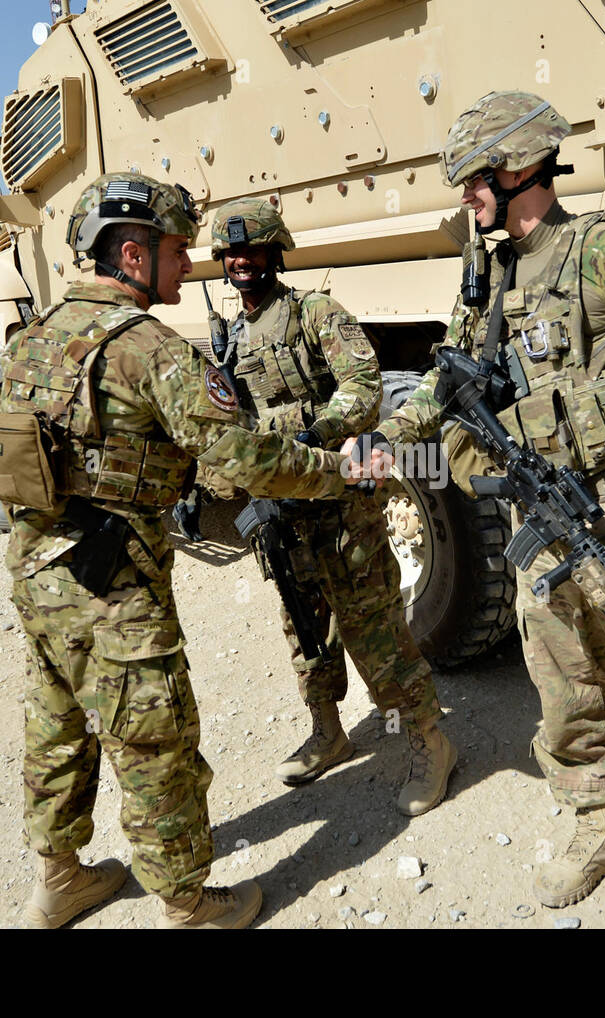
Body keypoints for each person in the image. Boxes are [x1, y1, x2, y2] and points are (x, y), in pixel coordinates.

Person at [348, 92, 605, 928]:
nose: (466, 197)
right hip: (535, 513)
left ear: (519, 168)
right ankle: (597, 823)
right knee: (564, 679)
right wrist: (395, 435)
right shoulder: (491, 273)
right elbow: (449, 377)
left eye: (475, 180)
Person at [0, 172, 355, 930]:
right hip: (115, 584)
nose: (188, 265)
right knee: (153, 736)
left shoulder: (37, 337)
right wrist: (331, 471)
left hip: (38, 574)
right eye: (175, 250)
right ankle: (189, 903)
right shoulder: (148, 348)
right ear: (131, 253)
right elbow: (242, 459)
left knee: (57, 722)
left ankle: (59, 879)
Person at [189, 198, 455, 816]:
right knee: (306, 633)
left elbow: (364, 391)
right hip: (283, 517)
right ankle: (328, 730)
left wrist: (308, 428)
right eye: (232, 254)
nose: (242, 263)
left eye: (253, 251)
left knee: (377, 632)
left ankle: (428, 742)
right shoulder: (232, 337)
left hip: (340, 509)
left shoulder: (314, 313)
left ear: (275, 252)